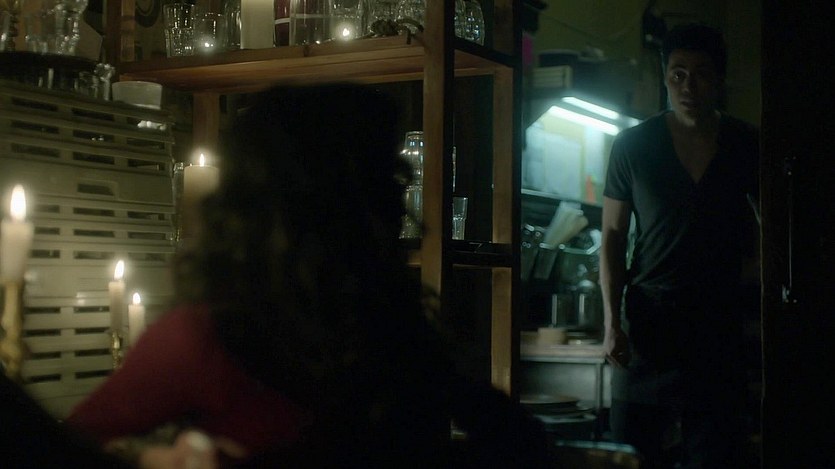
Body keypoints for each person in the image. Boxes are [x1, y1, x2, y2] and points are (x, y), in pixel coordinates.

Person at [68, 84, 550, 468]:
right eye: (386, 177)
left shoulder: (391, 324)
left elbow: (518, 440)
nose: (400, 198)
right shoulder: (207, 336)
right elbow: (70, 446)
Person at [600, 23, 759, 468]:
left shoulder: (745, 144)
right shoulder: (633, 145)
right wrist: (611, 322)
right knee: (633, 456)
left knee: (717, 456)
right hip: (648, 325)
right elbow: (611, 237)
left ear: (719, 80)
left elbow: (776, 227)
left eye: (701, 74)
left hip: (718, 327)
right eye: (678, 74)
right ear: (666, 77)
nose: (688, 86)